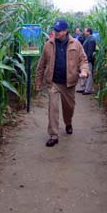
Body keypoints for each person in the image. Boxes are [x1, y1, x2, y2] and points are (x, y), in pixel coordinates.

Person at [35, 19, 89, 147]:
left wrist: (85, 71)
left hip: (69, 83)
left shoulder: (76, 44)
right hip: (54, 82)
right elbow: (41, 65)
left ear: (65, 31)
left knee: (68, 108)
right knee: (52, 108)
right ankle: (53, 135)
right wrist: (38, 82)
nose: (56, 32)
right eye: (55, 30)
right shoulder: (49, 44)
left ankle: (68, 122)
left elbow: (83, 60)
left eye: (58, 31)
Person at [76, 27, 96, 95]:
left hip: (88, 61)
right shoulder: (88, 38)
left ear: (89, 32)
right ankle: (84, 88)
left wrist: (87, 60)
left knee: (89, 75)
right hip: (84, 60)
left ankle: (88, 90)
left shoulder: (91, 40)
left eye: (85, 31)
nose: (84, 32)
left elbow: (90, 52)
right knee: (84, 74)